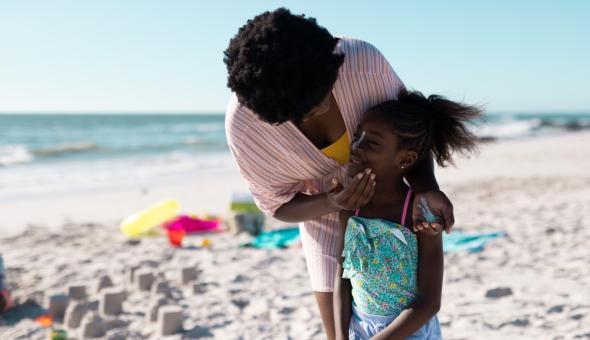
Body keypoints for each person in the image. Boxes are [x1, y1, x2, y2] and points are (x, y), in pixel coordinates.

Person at [223, 8, 455, 338]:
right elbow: (278, 205)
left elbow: (412, 132)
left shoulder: (363, 65)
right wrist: (334, 202)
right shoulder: (247, 130)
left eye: (320, 97)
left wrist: (427, 187)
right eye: (298, 113)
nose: (316, 112)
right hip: (322, 217)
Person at [334, 90, 481, 339]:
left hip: (409, 332)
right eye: (357, 136)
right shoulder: (350, 206)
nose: (356, 147)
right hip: (360, 329)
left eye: (372, 143)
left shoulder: (419, 214)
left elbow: (430, 302)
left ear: (405, 158)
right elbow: (343, 278)